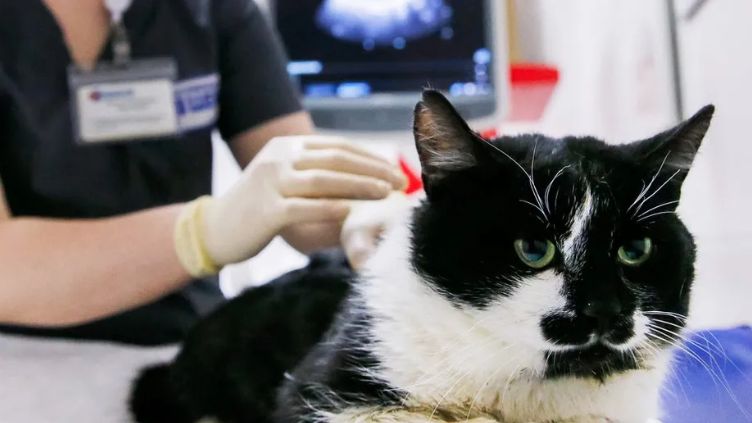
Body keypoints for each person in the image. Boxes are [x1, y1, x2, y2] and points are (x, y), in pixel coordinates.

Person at [0, 0, 405, 346]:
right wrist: (204, 231)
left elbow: (306, 194)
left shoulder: (211, 9)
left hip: (183, 345)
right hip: (24, 357)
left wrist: (366, 215)